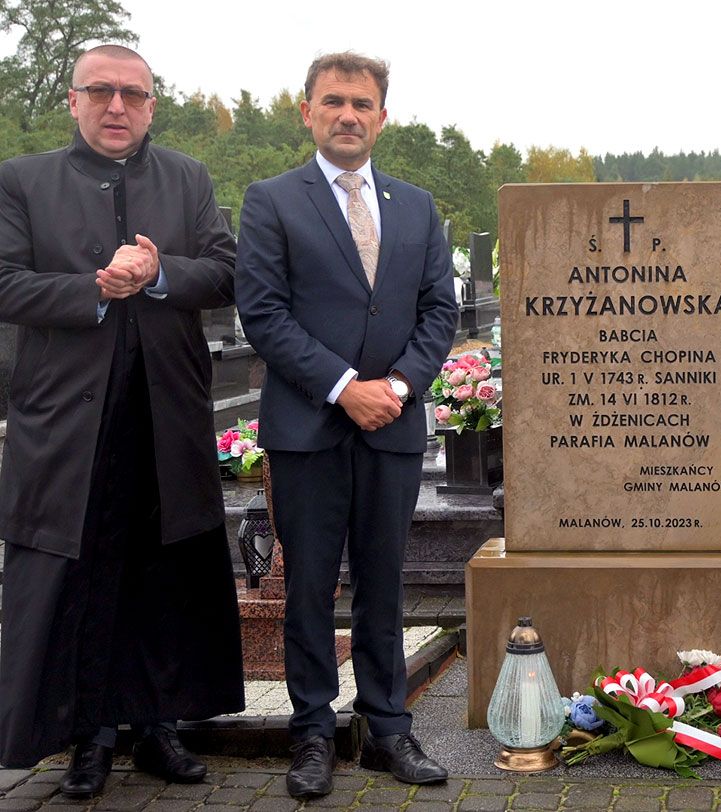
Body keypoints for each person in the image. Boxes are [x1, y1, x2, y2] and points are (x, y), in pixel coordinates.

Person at [0, 44, 244, 796]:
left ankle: (158, 724)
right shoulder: (23, 180)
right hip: (69, 420)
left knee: (161, 570)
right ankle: (89, 735)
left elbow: (226, 271)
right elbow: (5, 283)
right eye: (100, 91)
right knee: (84, 571)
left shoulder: (187, 177)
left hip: (164, 412)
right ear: (73, 99)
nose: (117, 106)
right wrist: (96, 288)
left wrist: (160, 271)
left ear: (151, 105)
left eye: (132, 94)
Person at [235, 52, 458, 800]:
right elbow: (263, 311)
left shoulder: (416, 206)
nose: (348, 115)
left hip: (391, 425)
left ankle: (388, 728)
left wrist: (396, 386)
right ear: (307, 111)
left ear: (382, 118)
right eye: (333, 101)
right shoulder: (272, 201)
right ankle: (311, 734)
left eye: (362, 104)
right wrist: (343, 388)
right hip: (309, 429)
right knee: (308, 589)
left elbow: (439, 310)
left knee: (384, 585)